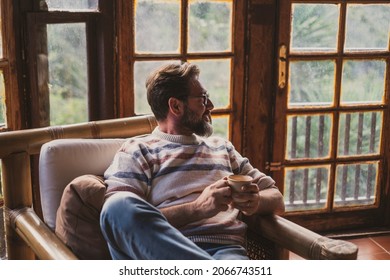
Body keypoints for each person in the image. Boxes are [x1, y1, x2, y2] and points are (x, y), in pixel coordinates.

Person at [100, 62, 285, 260]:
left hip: (225, 253)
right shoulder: (137, 150)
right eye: (203, 99)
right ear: (176, 106)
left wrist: (254, 201)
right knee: (116, 207)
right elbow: (119, 221)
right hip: (163, 255)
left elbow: (277, 199)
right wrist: (197, 208)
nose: (211, 106)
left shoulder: (222, 148)